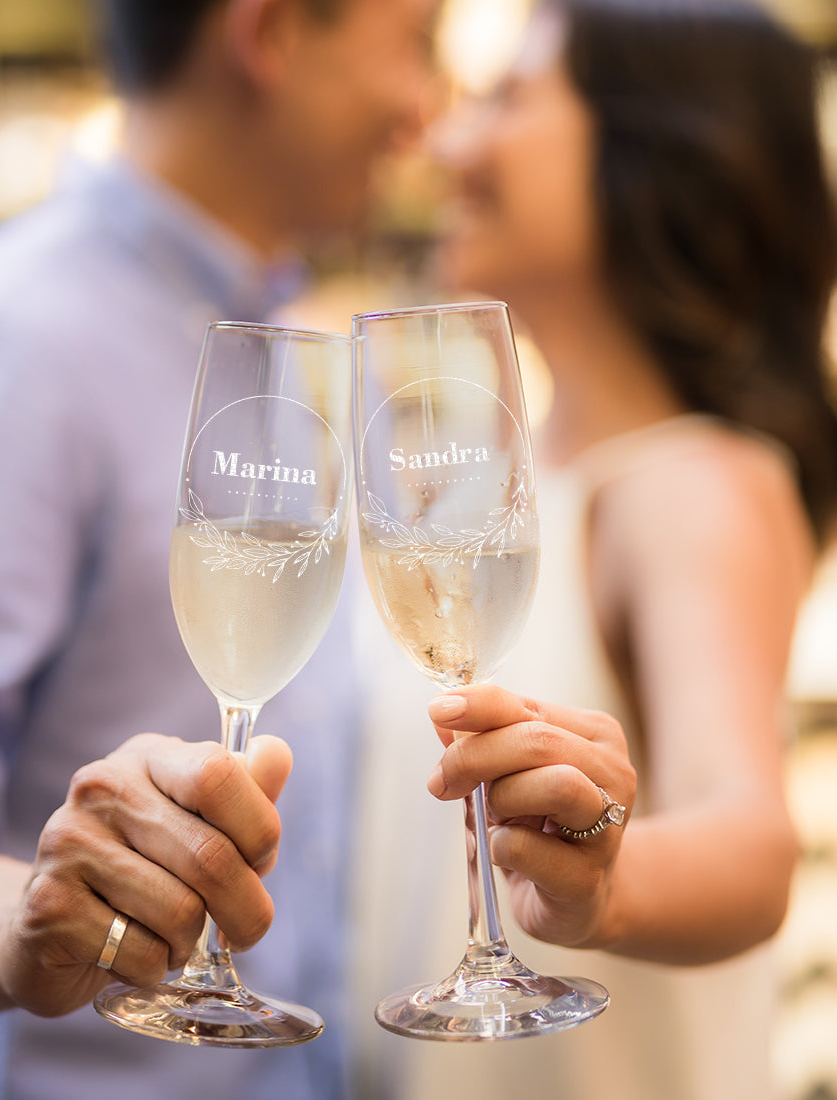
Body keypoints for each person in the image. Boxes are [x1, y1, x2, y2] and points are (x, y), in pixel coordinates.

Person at [0, 1, 443, 1098]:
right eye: (418, 46)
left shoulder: (300, 348)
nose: (427, 110)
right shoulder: (0, 336)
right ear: (267, 35)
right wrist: (9, 926)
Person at [349, 1, 837, 1098]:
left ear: (648, 153)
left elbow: (748, 839)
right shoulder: (495, 485)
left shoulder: (690, 482)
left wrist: (603, 887)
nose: (447, 142)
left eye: (507, 100)